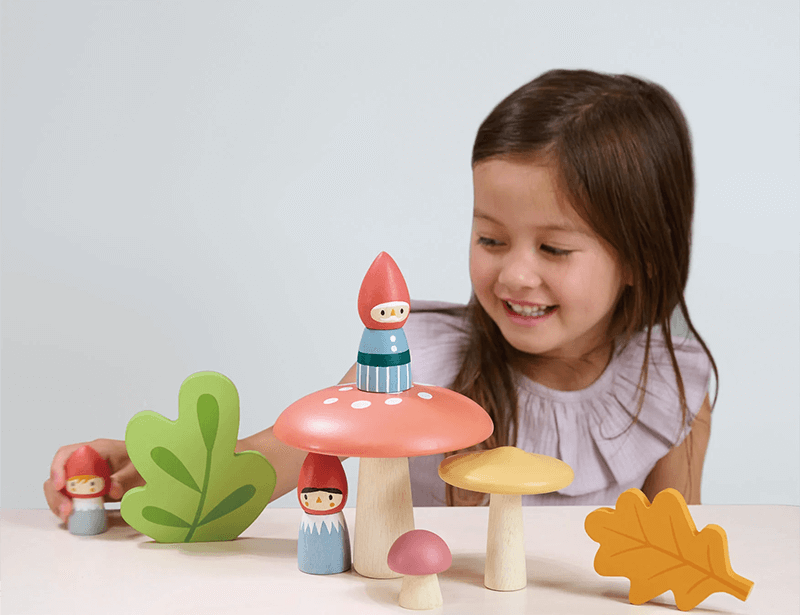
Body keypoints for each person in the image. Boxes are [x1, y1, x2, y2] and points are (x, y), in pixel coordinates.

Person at [44, 68, 715, 522]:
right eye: (490, 239)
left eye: (554, 249)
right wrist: (154, 474)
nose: (515, 275)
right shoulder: (412, 360)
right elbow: (275, 459)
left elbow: (668, 552)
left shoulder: (673, 386)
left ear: (641, 258)